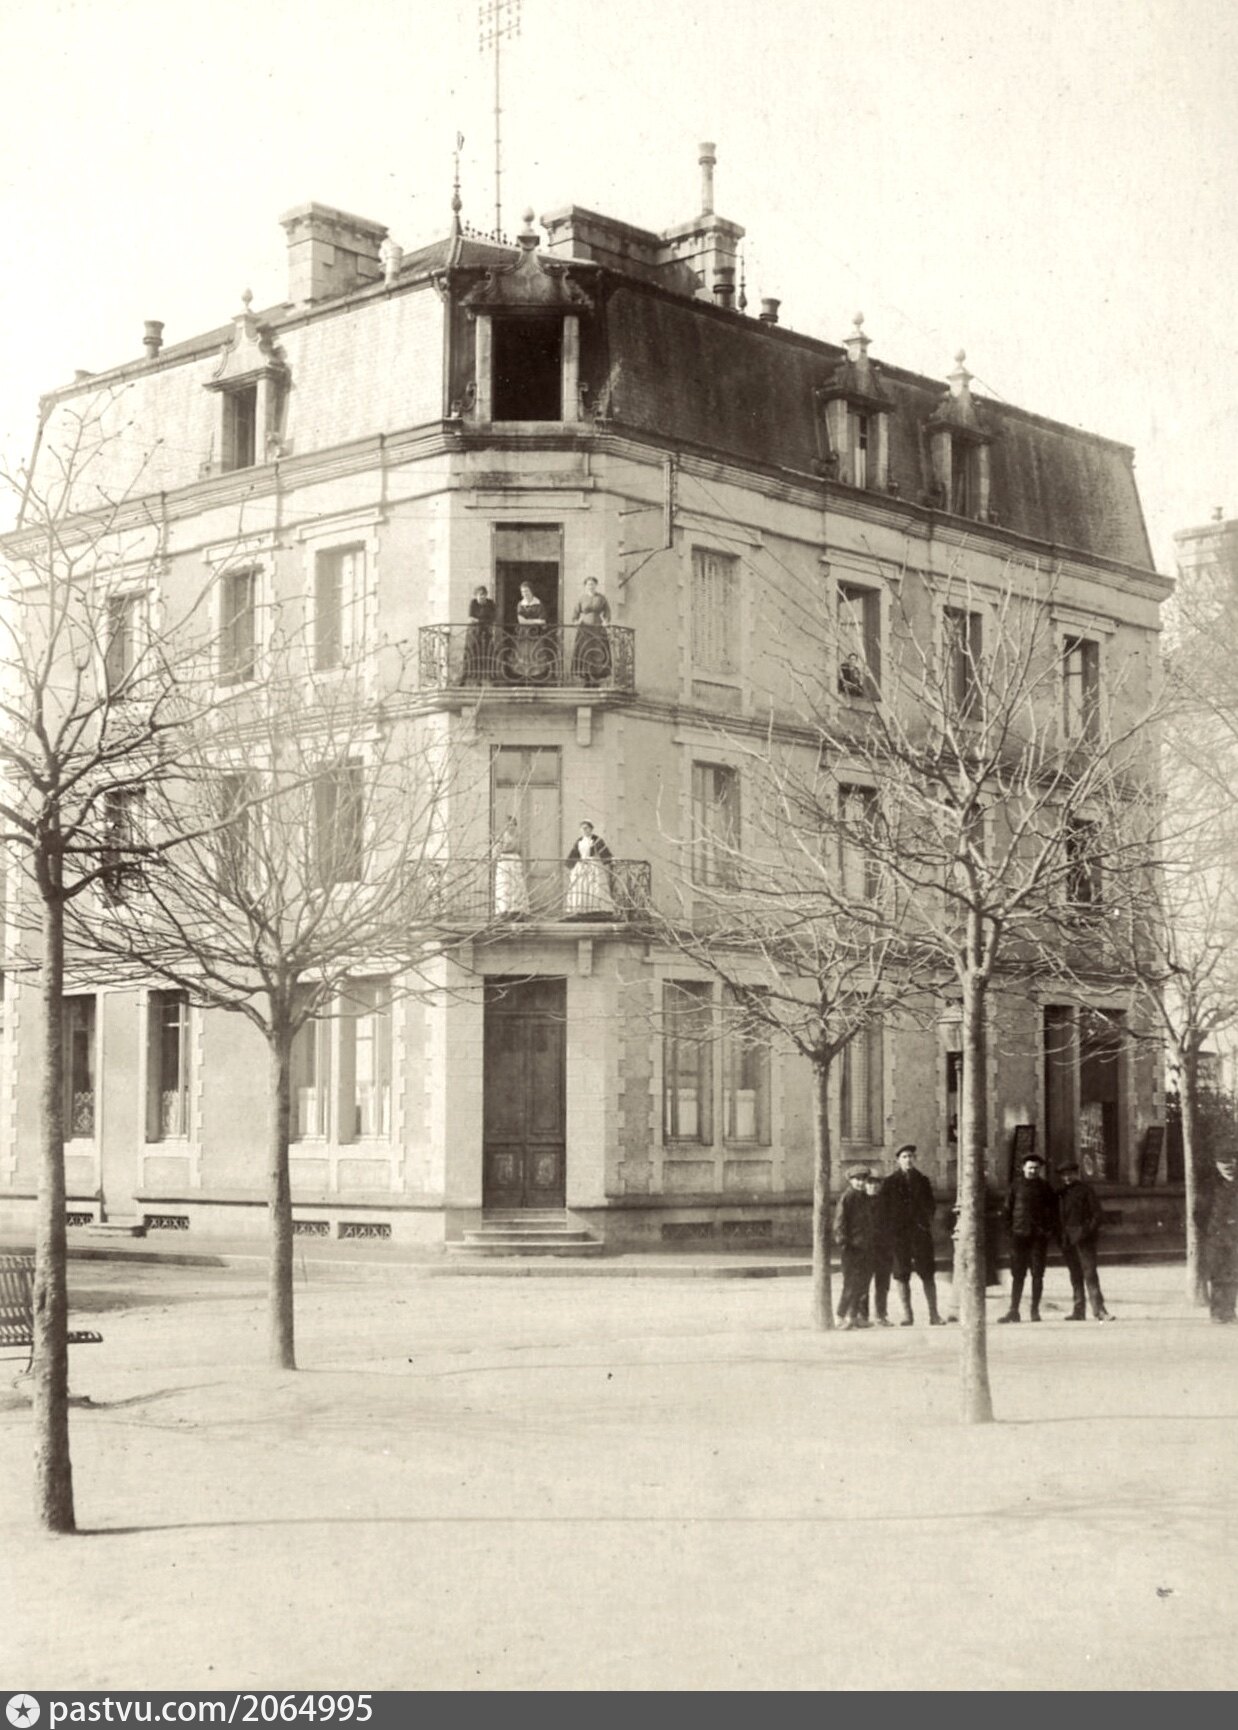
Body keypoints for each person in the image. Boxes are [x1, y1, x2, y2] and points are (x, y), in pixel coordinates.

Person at [881, 1144, 943, 1325]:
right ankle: (907, 1315)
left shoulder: (923, 1180)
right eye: (904, 1157)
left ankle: (934, 1314)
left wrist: (924, 1223)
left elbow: (930, 1205)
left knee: (927, 1273)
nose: (908, 1160)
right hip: (899, 1237)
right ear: (898, 1160)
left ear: (915, 1159)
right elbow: (884, 1209)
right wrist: (892, 1229)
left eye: (911, 1156)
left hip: (920, 1235)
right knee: (901, 1274)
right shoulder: (890, 1182)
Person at [999, 1151, 1057, 1322]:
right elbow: (1007, 1210)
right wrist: (1009, 1232)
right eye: (1030, 1168)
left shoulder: (1045, 1187)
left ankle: (1034, 1310)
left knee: (1037, 1274)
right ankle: (1014, 1310)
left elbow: (1053, 1211)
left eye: (1036, 1168)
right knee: (1018, 1274)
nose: (1033, 1171)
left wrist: (1048, 1231)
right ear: (1023, 1168)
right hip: (1018, 1237)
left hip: (1038, 1238)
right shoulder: (1015, 1187)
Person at [1057, 1161, 1112, 1322]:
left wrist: (1086, 1232)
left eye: (1070, 1174)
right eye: (1064, 1175)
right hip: (1067, 1239)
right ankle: (1078, 1310)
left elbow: (1097, 1215)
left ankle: (1099, 1310)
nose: (1067, 1178)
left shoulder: (1086, 1190)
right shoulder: (1060, 1193)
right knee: (1075, 1275)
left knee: (1090, 1274)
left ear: (1076, 1174)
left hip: (1084, 1239)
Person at [833, 1168, 875, 1330]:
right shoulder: (847, 1197)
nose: (860, 1183)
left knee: (862, 1284)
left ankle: (853, 1317)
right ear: (850, 1180)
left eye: (863, 1179)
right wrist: (844, 1243)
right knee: (850, 1284)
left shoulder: (864, 1197)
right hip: (852, 1248)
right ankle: (839, 1316)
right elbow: (839, 1222)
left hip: (865, 1246)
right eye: (857, 1179)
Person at [1200, 1149, 1238, 1324]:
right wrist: (1211, 1230)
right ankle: (1217, 1312)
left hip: (1235, 1237)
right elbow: (1200, 1212)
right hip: (1216, 1237)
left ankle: (1230, 1311)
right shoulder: (1210, 1187)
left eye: (1232, 1162)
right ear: (1216, 1165)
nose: (1228, 1167)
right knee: (1217, 1276)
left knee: (1233, 1275)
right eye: (1224, 1163)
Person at [564, 820, 614, 919]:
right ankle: (581, 910)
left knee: (596, 887)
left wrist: (610, 859)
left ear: (591, 829)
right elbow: (574, 854)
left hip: (593, 865)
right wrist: (569, 865)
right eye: (582, 828)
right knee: (580, 886)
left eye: (586, 828)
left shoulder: (597, 840)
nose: (584, 830)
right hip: (581, 866)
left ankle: (598, 910)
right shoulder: (579, 841)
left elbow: (604, 852)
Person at [570, 577, 612, 686]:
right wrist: (575, 621)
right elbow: (575, 614)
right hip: (585, 629)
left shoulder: (601, 598)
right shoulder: (581, 598)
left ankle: (596, 678)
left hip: (598, 628)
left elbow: (607, 612)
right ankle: (587, 678)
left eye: (593, 584)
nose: (591, 586)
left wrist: (606, 621)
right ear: (585, 586)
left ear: (596, 585)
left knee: (597, 651)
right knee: (585, 650)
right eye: (588, 584)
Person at [492, 818, 529, 918]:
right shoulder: (501, 837)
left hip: (515, 862)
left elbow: (522, 850)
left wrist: (523, 862)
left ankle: (517, 910)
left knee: (517, 885)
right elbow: (495, 851)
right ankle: (503, 910)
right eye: (509, 825)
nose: (511, 827)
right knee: (505, 885)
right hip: (505, 861)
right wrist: (498, 856)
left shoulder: (518, 837)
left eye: (513, 825)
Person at [513, 583, 550, 683]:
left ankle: (535, 678)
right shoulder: (520, 604)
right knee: (524, 654)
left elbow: (543, 621)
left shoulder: (539, 604)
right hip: (523, 633)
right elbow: (521, 621)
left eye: (527, 591)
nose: (525, 594)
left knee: (535, 654)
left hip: (536, 633)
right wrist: (535, 621)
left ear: (532, 591)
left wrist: (528, 621)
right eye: (523, 592)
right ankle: (524, 678)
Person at [461, 584, 496, 683]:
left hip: (486, 632)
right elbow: (471, 618)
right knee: (472, 653)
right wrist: (483, 620)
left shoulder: (490, 603)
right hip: (473, 633)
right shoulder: (473, 603)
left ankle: (486, 677)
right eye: (480, 595)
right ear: (476, 596)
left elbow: (492, 617)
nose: (482, 597)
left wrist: (479, 620)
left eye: (484, 594)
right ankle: (470, 677)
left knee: (485, 653)